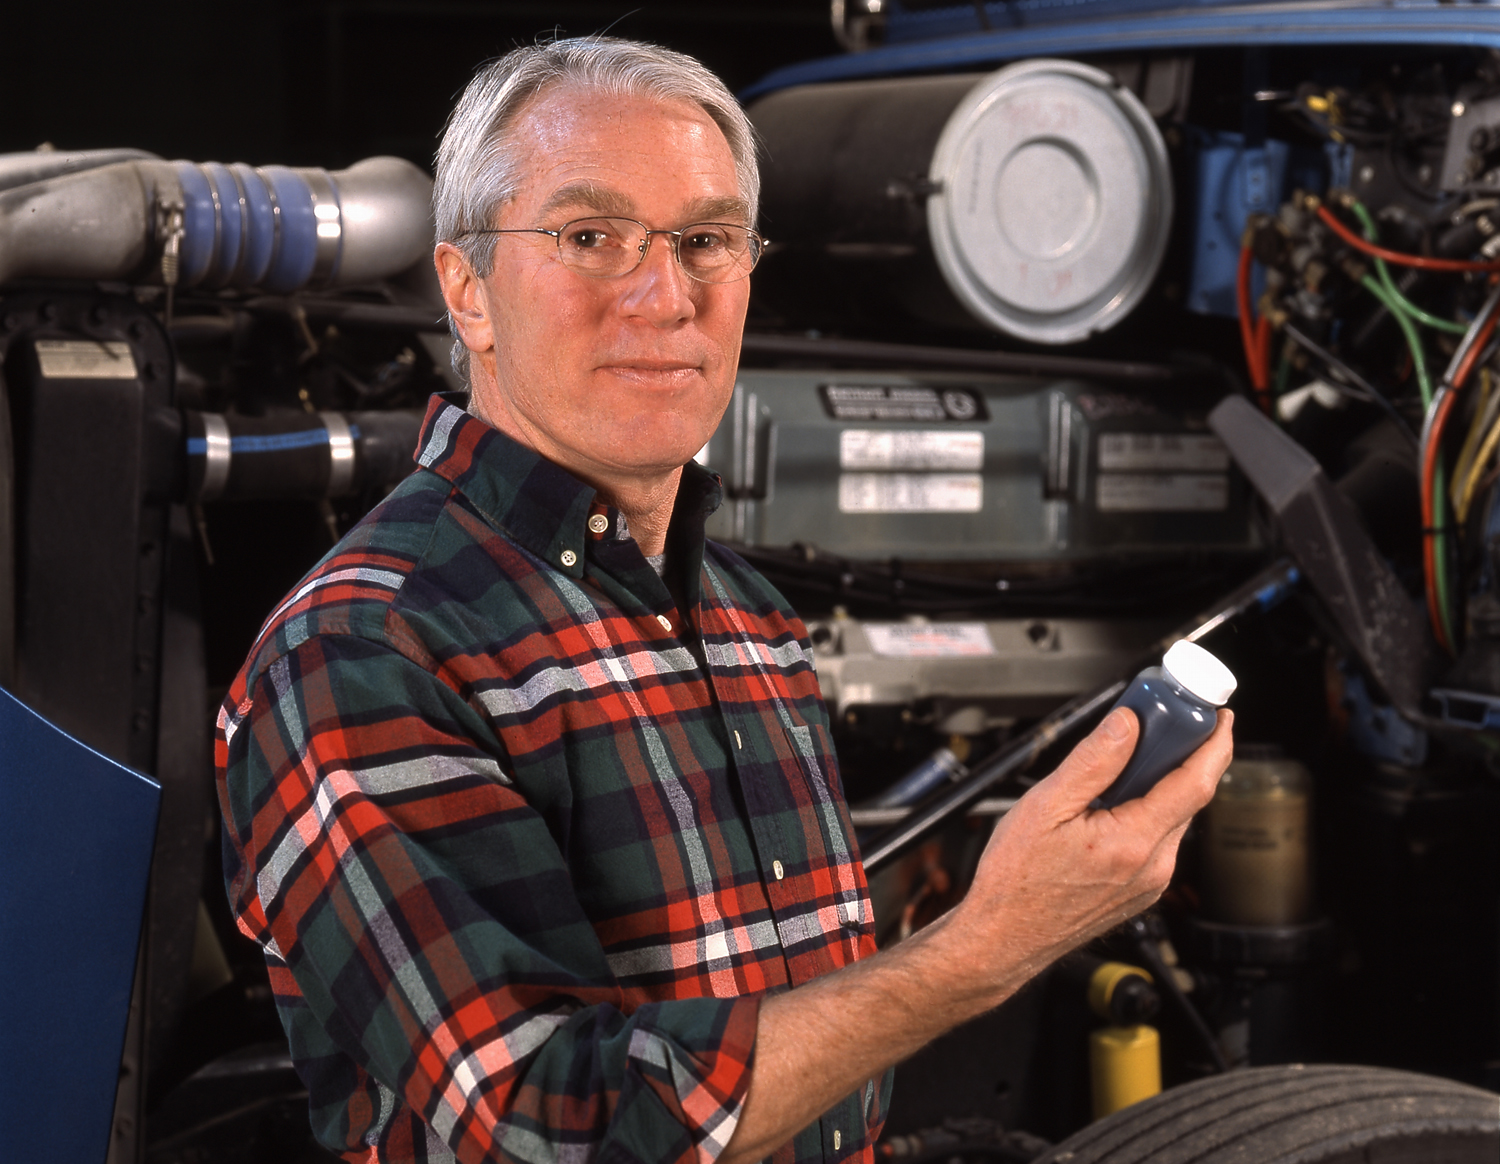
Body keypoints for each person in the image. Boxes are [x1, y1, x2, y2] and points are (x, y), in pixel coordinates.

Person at [216, 35, 1233, 1164]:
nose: (666, 296)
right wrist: (986, 945)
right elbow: (545, 1131)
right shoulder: (363, 647)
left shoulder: (746, 616)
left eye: (706, 240)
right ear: (468, 291)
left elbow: (805, 1059)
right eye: (591, 238)